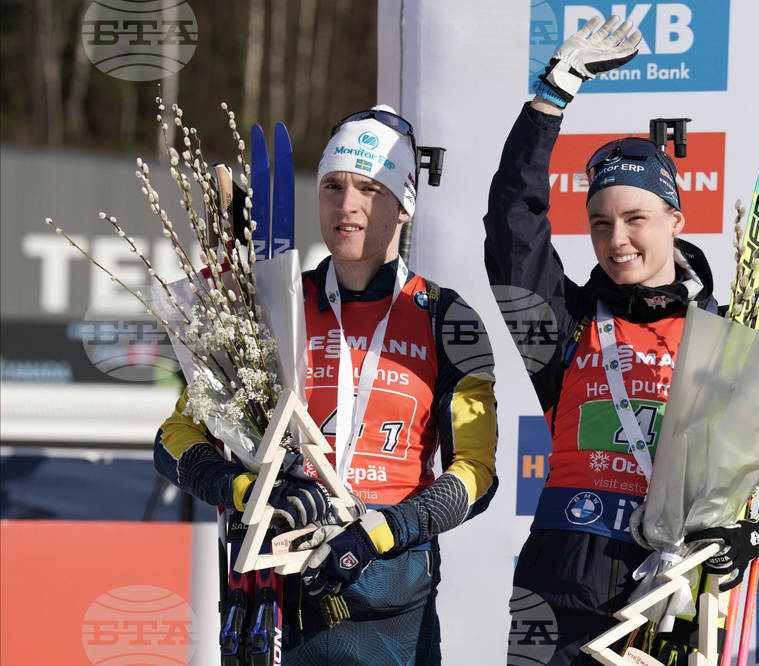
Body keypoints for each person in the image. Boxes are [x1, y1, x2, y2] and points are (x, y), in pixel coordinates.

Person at [483, 17, 759, 664]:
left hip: (673, 610)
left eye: (636, 218)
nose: (617, 239)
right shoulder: (566, 325)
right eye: (600, 224)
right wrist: (550, 98)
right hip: (556, 607)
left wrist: (753, 537)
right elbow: (513, 230)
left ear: (676, 219)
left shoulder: (730, 339)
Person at [154, 106, 500, 665]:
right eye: (333, 187)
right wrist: (248, 492)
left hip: (390, 606)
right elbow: (174, 439)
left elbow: (476, 474)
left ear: (405, 204)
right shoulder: (272, 306)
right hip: (275, 602)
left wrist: (380, 532)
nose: (347, 205)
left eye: (370, 189)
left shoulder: (447, 320)